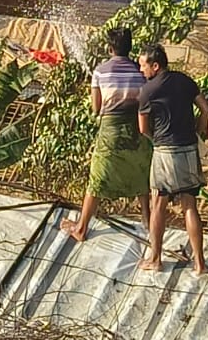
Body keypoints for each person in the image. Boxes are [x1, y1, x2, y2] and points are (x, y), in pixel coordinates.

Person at [60, 26, 152, 242]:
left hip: (111, 129)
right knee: (142, 175)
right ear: (129, 48)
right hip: (137, 130)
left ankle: (81, 228)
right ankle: (148, 222)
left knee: (98, 178)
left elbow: (95, 108)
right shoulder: (140, 71)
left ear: (110, 48)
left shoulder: (100, 71)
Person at [137, 43, 208, 274]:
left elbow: (142, 128)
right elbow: (206, 110)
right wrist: (198, 132)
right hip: (188, 149)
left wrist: (156, 139)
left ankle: (156, 259)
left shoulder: (148, 91)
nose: (141, 71)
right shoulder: (185, 81)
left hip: (165, 152)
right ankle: (200, 264)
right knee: (190, 206)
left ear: (155, 66)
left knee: (158, 204)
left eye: (143, 66)